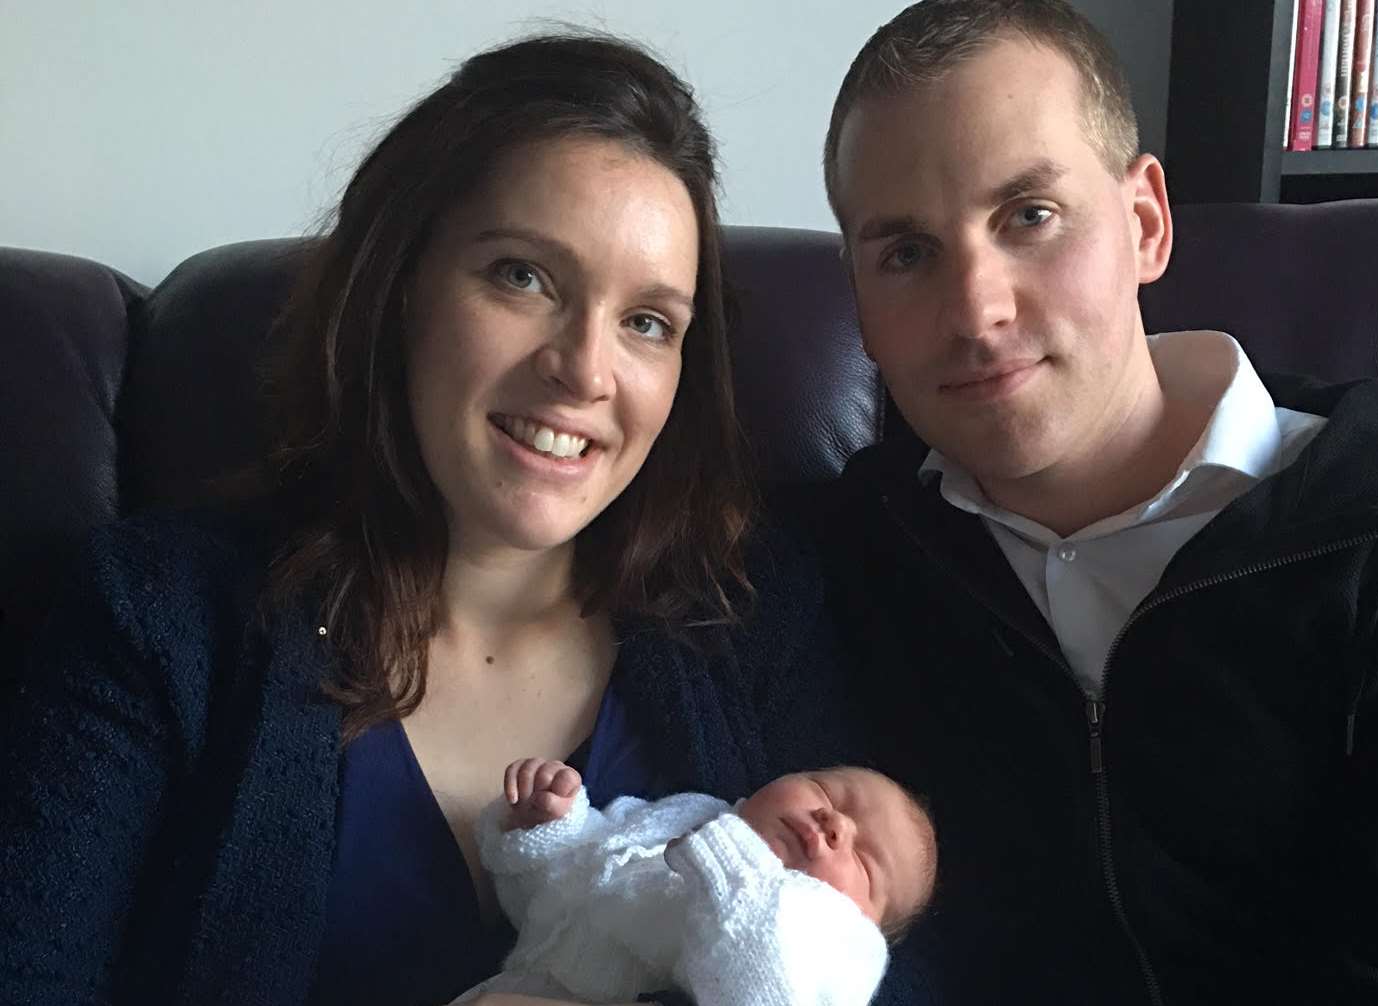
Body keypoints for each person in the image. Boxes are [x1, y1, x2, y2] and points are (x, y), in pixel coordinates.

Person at [0, 34, 858, 1006]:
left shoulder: (756, 613)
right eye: (524, 276)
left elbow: (888, 955)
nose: (584, 370)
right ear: (399, 288)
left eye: (647, 322)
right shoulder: (158, 617)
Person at [810, 1, 1378, 1002]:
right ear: (860, 302)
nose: (976, 309)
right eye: (907, 254)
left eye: (1029, 217)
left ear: (1145, 223)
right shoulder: (846, 556)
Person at [452, 758, 936, 1005]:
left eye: (867, 863)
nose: (835, 823)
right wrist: (549, 828)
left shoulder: (841, 945)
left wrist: (735, 865)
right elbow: (554, 901)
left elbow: (765, 994)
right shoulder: (686, 813)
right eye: (827, 791)